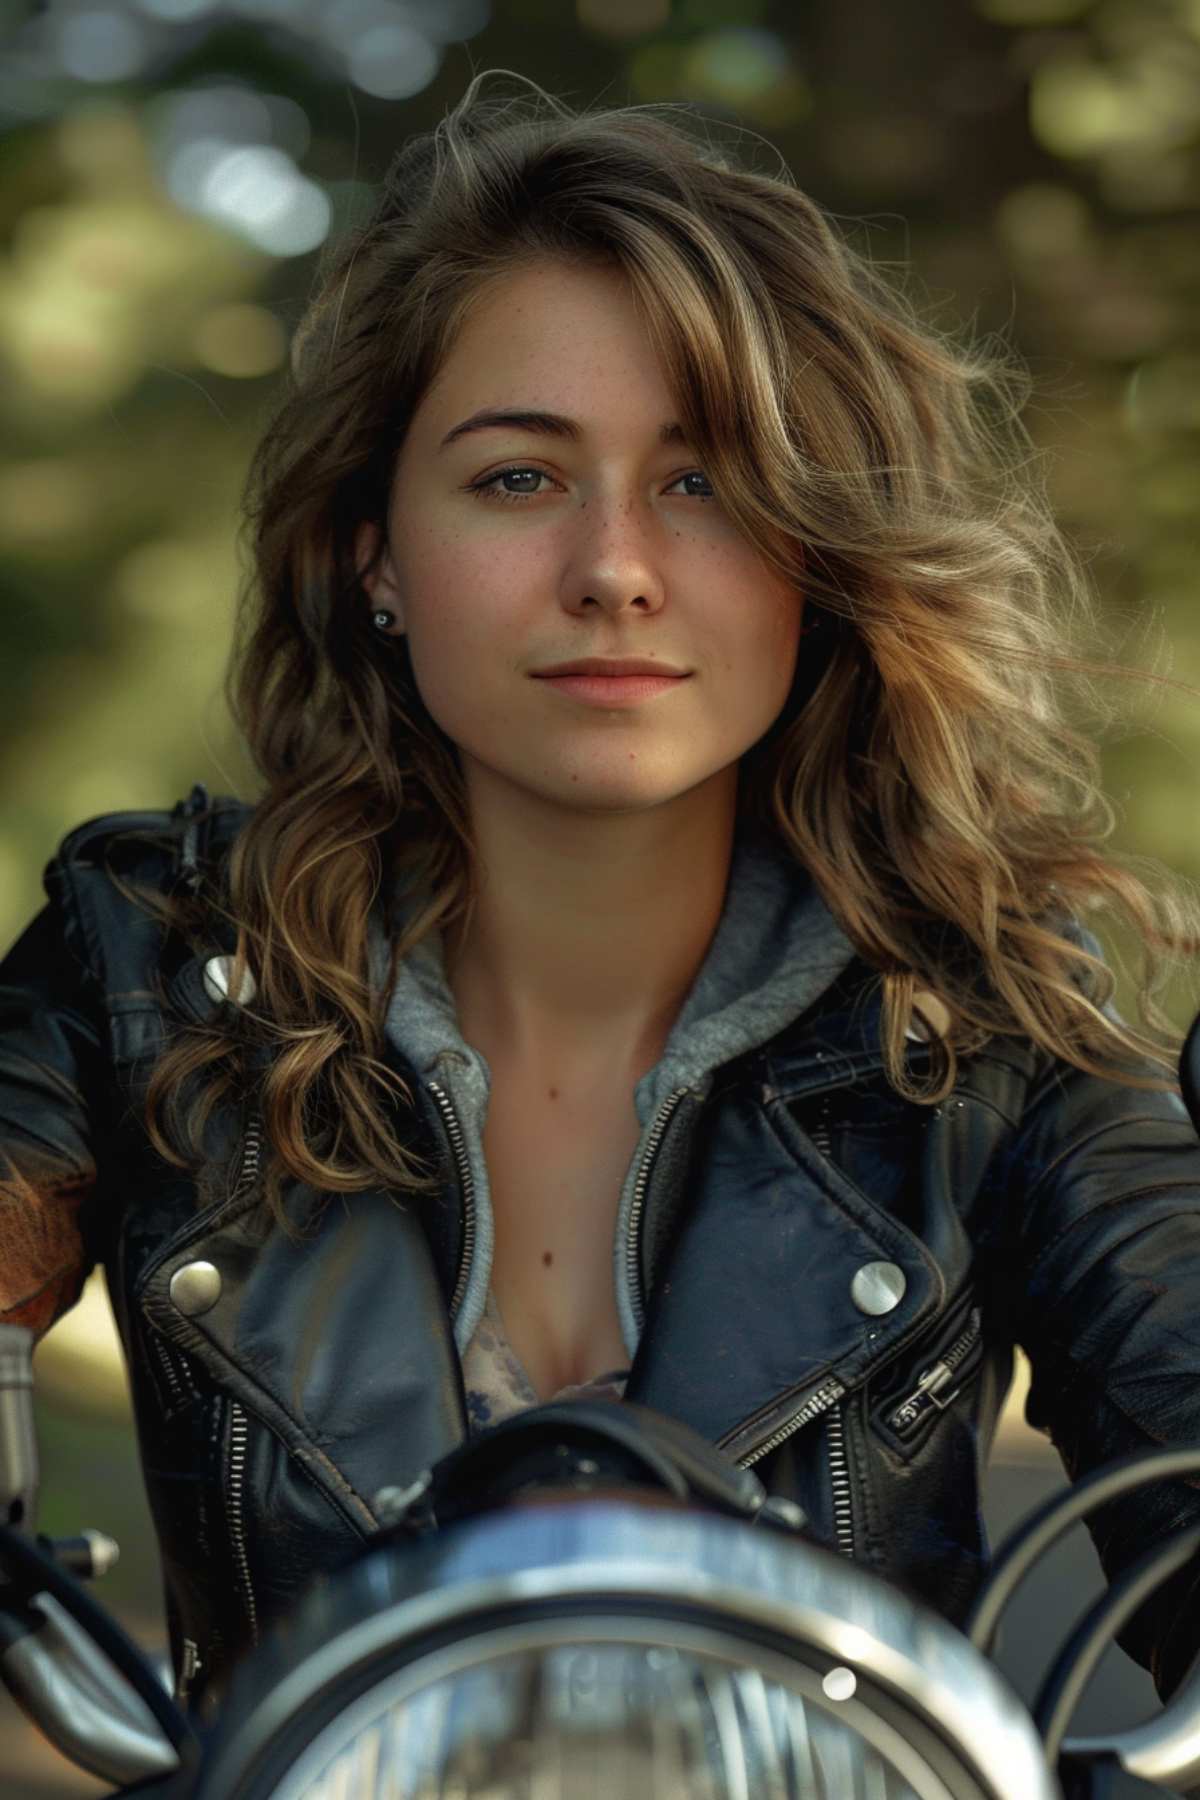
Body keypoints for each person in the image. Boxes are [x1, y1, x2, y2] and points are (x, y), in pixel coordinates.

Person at [3, 69, 1200, 1722]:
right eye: (517, 477)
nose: (617, 566)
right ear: (375, 559)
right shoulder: (148, 961)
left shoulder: (993, 1017)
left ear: (817, 549)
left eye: (703, 480)